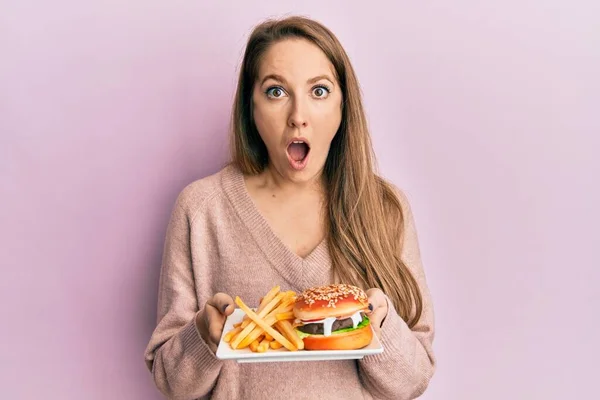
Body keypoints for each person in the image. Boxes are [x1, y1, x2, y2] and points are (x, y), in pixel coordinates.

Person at [144, 15, 436, 400]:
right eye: (276, 92)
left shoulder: (385, 208)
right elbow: (172, 382)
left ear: (343, 107)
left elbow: (414, 380)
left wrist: (379, 321)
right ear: (251, 107)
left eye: (319, 91)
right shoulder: (201, 209)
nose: (298, 116)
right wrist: (203, 334)